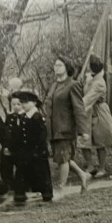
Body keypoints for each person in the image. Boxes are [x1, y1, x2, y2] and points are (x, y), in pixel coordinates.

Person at [44, 56, 91, 193]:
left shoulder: (73, 84)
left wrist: (84, 130)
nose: (56, 67)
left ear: (67, 67)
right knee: (62, 157)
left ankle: (61, 188)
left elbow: (79, 108)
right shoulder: (53, 86)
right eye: (55, 65)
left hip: (66, 128)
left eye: (60, 65)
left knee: (63, 158)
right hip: (54, 129)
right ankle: (83, 175)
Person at [9, 89, 53, 206]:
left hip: (37, 152)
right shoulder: (26, 116)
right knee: (22, 172)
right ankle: (20, 196)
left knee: (41, 173)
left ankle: (46, 194)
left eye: (26, 102)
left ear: (33, 102)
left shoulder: (36, 116)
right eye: (22, 102)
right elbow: (21, 135)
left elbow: (41, 136)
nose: (23, 105)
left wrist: (37, 151)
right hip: (26, 151)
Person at [83, 56, 112, 179]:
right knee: (83, 140)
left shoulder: (99, 83)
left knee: (100, 141)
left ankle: (102, 168)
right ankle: (90, 166)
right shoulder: (91, 79)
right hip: (88, 112)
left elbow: (88, 98)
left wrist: (77, 107)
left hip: (98, 112)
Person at [0, 93, 24, 189]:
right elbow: (6, 133)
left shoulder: (26, 117)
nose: (16, 107)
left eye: (19, 104)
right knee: (5, 163)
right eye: (13, 104)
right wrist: (5, 146)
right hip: (10, 146)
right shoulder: (10, 117)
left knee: (22, 166)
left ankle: (22, 184)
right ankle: (9, 183)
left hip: (21, 147)